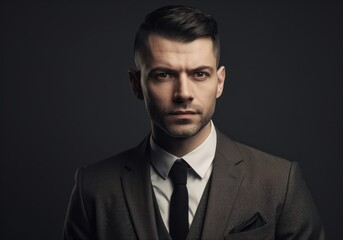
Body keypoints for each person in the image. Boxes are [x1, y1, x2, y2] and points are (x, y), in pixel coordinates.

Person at [63, 5, 324, 240]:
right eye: (164, 75)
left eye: (200, 74)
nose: (183, 93)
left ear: (219, 82)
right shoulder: (94, 189)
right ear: (136, 84)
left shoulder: (279, 182)